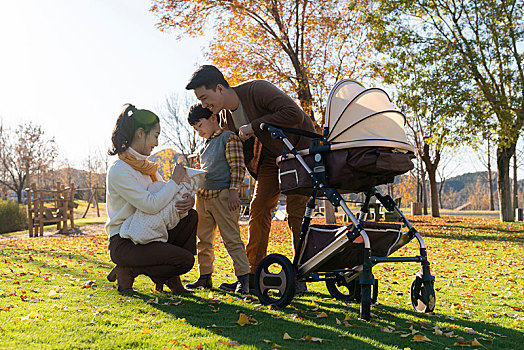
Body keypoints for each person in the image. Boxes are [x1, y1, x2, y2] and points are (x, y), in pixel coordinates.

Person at [185, 65, 316, 292]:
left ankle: (301, 274)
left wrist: (253, 126)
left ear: (219, 88)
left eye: (205, 98)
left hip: (297, 154)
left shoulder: (257, 90)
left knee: (296, 214)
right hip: (269, 162)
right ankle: (252, 274)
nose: (205, 106)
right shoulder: (224, 119)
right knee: (258, 208)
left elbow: (293, 114)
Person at [105, 104, 197, 293]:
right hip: (126, 241)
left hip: (150, 233)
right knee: (185, 261)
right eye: (155, 135)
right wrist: (174, 181)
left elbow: (167, 198)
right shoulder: (119, 170)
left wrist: (188, 201)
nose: (156, 143)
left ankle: (168, 276)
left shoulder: (147, 168)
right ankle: (127, 268)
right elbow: (151, 205)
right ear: (140, 133)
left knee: (191, 216)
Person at [185, 103, 251, 294]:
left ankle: (243, 279)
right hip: (203, 196)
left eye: (200, 126)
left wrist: (233, 191)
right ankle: (205, 277)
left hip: (223, 196)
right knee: (203, 239)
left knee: (231, 238)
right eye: (195, 129)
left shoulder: (228, 138)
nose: (199, 132)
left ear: (213, 118)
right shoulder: (203, 145)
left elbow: (237, 167)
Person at [120, 168, 204, 245]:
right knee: (185, 258)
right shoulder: (121, 169)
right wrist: (174, 181)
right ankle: (179, 256)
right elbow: (151, 206)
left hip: (161, 226)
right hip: (133, 234)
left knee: (192, 214)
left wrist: (190, 200)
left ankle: (178, 254)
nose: (152, 150)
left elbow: (167, 191)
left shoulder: (150, 168)